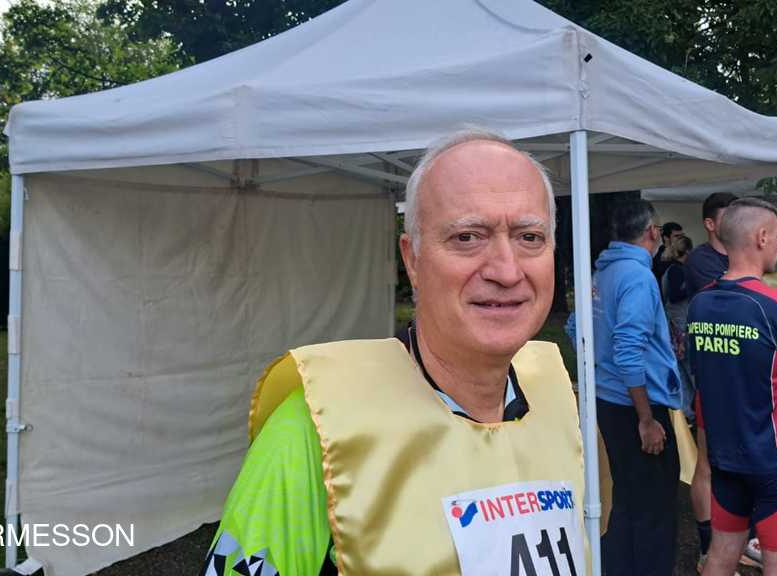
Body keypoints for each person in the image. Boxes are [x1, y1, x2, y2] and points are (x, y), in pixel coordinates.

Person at [202, 128, 585, 575]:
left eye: (530, 237)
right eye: (467, 237)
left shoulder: (559, 404)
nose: (506, 270)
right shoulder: (317, 429)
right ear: (413, 260)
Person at [687, 197, 777, 576]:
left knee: (721, 553)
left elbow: (710, 372)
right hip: (774, 459)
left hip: (724, 456)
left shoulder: (700, 303)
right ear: (762, 237)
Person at [588, 199, 682, 575]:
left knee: (626, 500)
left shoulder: (601, 272)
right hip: (636, 406)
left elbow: (578, 328)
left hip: (609, 400)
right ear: (652, 232)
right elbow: (629, 349)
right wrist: (646, 419)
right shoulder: (637, 277)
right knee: (654, 509)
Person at [678, 191, 762, 573]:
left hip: (745, 371)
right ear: (711, 224)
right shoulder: (702, 261)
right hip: (713, 371)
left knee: (743, 460)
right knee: (709, 463)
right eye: (729, 217)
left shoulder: (738, 256)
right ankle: (707, 547)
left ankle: (738, 542)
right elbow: (739, 301)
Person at [662, 229, 696, 419]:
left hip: (674, 327)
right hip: (682, 328)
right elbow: (675, 296)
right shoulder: (678, 271)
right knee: (690, 371)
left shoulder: (668, 270)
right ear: (688, 252)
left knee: (682, 372)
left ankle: (687, 413)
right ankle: (694, 412)